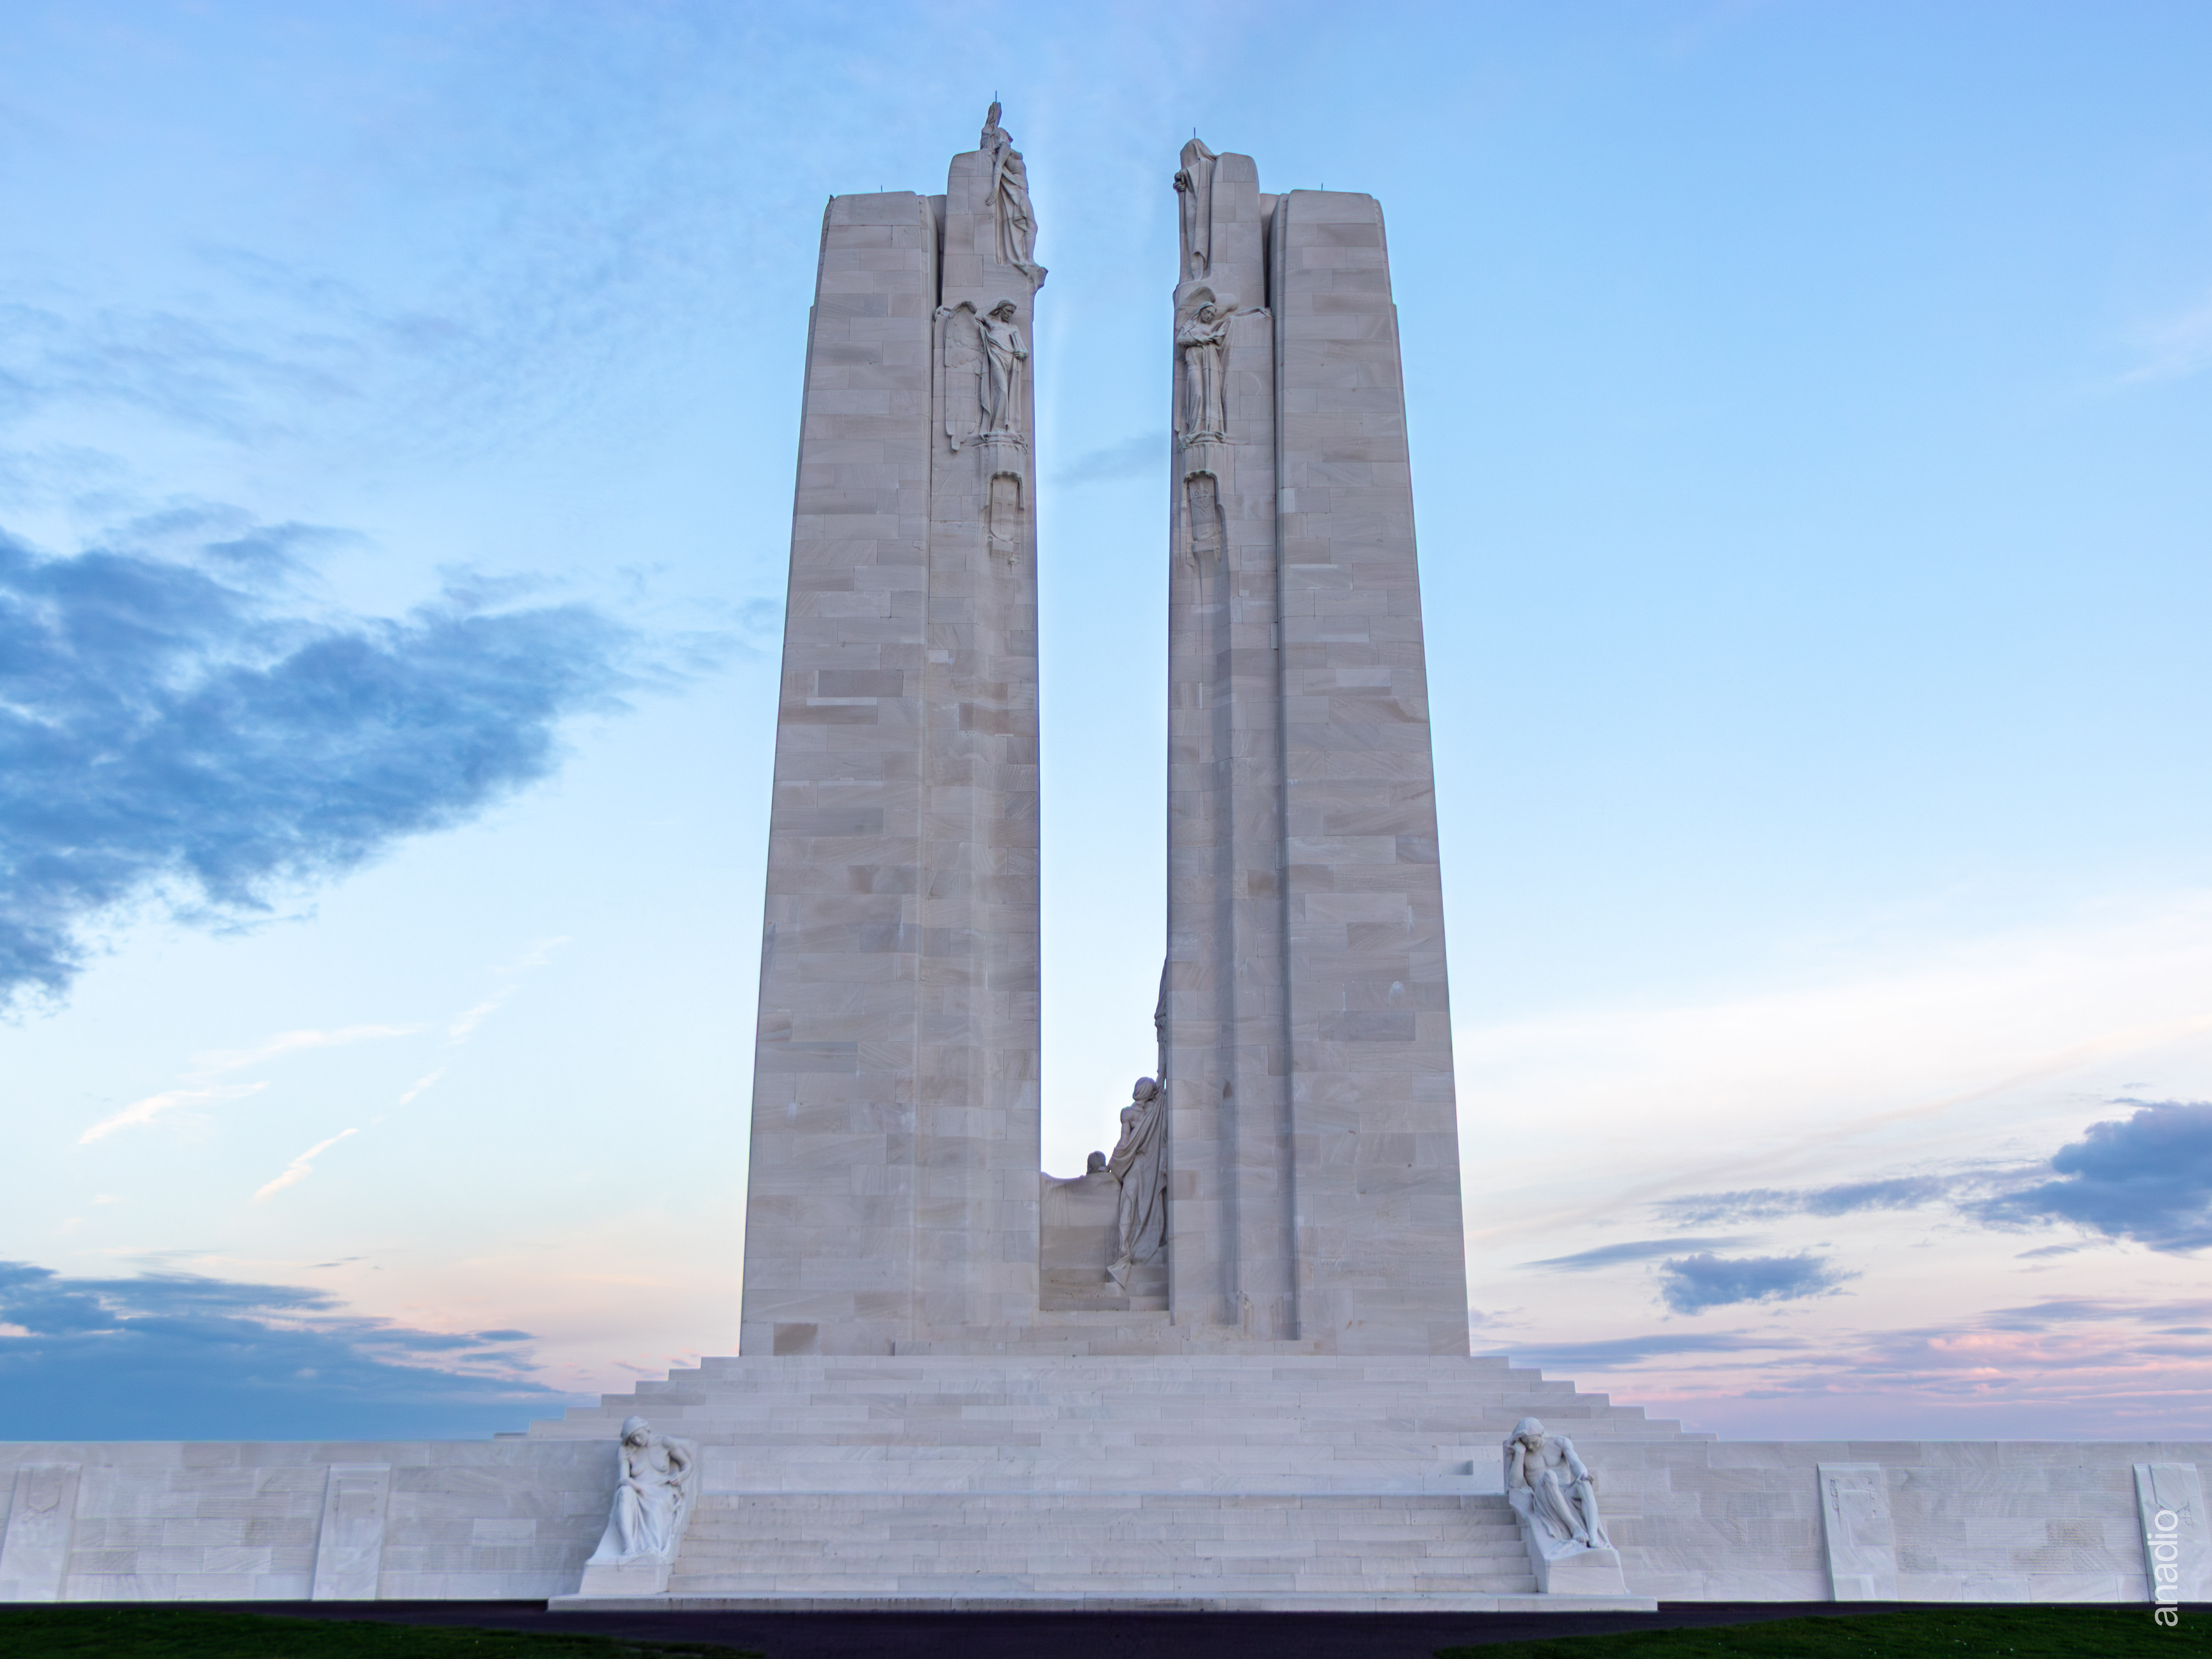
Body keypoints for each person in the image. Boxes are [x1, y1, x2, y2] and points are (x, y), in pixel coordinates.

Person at [585, 1415, 697, 1563]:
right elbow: (624, 1479)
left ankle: (653, 1551)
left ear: (647, 1429)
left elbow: (687, 1464)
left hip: (661, 1489)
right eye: (633, 1439)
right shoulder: (626, 1451)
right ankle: (629, 1547)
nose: (638, 1441)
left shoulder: (664, 1442)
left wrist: (681, 1476)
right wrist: (637, 1486)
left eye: (639, 1435)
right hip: (638, 1490)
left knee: (656, 1508)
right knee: (624, 1493)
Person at [1503, 1417, 1609, 1551]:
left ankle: (1593, 1538)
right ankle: (1574, 1527)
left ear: (1542, 1433)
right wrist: (1519, 1453)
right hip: (1544, 1498)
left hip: (1565, 1491)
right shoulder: (1521, 1452)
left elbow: (1575, 1462)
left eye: (1534, 1442)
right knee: (1549, 1475)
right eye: (1526, 1444)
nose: (1530, 1447)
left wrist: (1583, 1473)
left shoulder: (1560, 1443)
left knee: (1585, 1485)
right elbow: (1514, 1483)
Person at [1106, 1076, 1166, 1287]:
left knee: (1135, 1205)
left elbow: (1124, 1142)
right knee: (1130, 1203)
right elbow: (1125, 1143)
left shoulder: (1152, 1111)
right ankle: (1125, 1248)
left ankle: (1130, 1246)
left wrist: (1113, 1163)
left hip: (1147, 1165)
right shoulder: (1135, 1113)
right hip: (1140, 1164)